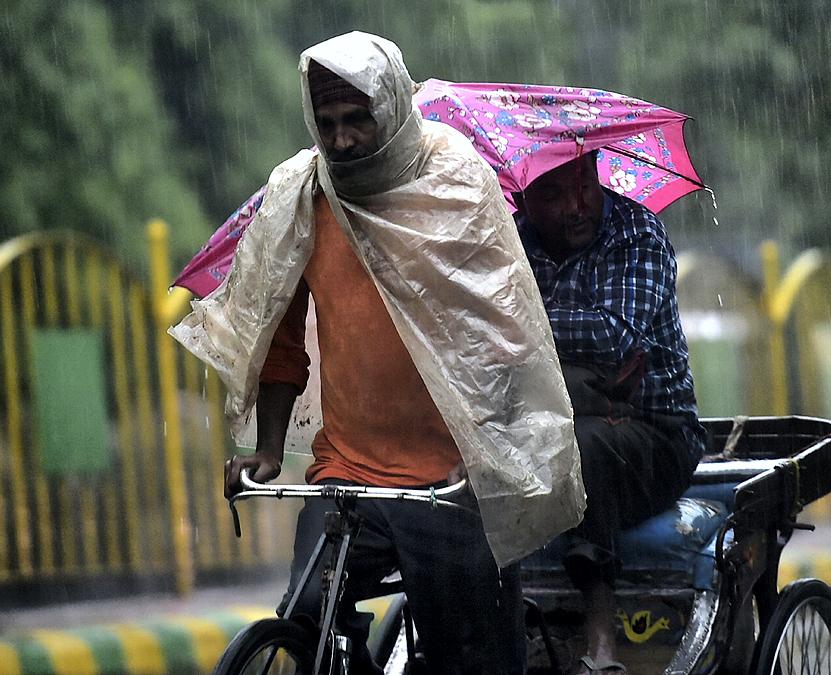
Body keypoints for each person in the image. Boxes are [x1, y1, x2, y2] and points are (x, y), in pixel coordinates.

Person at [171, 32, 585, 675]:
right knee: (306, 613)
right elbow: (280, 342)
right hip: (348, 474)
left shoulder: (455, 182)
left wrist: (486, 457)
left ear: (390, 108)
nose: (340, 141)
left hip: (449, 482)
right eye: (327, 123)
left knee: (470, 658)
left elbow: (506, 337)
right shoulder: (301, 197)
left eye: (357, 120)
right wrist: (270, 451)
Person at [515, 151, 708, 675]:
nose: (576, 207)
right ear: (521, 196)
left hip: (655, 434)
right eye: (552, 195)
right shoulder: (509, 241)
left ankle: (600, 642)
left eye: (584, 186)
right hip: (543, 427)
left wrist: (517, 325)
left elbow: (611, 336)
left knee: (581, 444)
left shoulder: (638, 235)